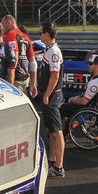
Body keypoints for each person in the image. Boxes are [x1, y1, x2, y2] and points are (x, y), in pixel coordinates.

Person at [39, 22, 65, 179]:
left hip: (53, 95)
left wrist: (47, 94)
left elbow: (55, 75)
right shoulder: (49, 50)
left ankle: (59, 166)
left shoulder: (54, 51)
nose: (39, 35)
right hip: (49, 94)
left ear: (47, 35)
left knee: (57, 130)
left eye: (41, 32)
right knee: (51, 132)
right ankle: (52, 160)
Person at [60, 53, 98, 118]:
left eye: (90, 64)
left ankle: (59, 128)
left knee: (61, 109)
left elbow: (84, 101)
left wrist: (71, 100)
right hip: (93, 107)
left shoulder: (94, 83)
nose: (88, 66)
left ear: (97, 65)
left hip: (88, 109)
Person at [1, 15, 36, 97]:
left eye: (3, 25)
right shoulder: (26, 36)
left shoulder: (11, 34)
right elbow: (33, 62)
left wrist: (10, 80)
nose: (2, 28)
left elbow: (14, 58)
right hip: (25, 78)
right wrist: (33, 83)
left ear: (9, 23)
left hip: (16, 78)